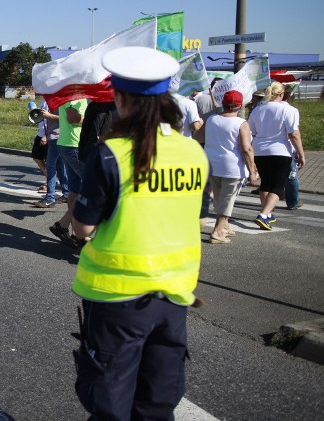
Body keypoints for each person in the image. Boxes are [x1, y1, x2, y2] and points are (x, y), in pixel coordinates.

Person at [70, 47, 209, 420]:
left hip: (117, 299)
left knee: (111, 397)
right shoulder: (194, 152)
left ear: (120, 98)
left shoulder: (110, 153)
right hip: (175, 295)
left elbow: (82, 227)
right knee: (158, 398)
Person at [247, 81, 305, 230]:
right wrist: (301, 153)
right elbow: (293, 133)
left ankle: (267, 214)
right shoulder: (288, 110)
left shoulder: (257, 110)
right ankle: (264, 214)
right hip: (280, 150)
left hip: (259, 149)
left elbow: (251, 131)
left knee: (266, 183)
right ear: (281, 94)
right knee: (278, 186)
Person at [202, 90, 258, 243]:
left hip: (212, 163)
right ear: (240, 106)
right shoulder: (241, 123)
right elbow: (246, 148)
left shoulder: (212, 119)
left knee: (219, 197)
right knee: (228, 199)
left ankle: (224, 226)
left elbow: (198, 136)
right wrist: (252, 171)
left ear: (223, 103)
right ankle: (218, 231)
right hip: (231, 166)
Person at [48, 97, 86, 241]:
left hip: (67, 143)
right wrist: (92, 120)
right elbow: (72, 118)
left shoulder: (76, 94)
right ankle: (64, 226)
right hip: (74, 144)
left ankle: (75, 233)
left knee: (75, 190)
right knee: (91, 188)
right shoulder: (74, 96)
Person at [32, 105, 69, 209]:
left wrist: (49, 115)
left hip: (57, 137)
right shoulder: (49, 99)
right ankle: (67, 193)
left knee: (50, 166)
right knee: (60, 166)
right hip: (53, 136)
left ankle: (50, 198)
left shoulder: (59, 100)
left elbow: (66, 118)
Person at [30, 99, 49, 194]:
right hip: (41, 133)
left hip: (49, 135)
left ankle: (50, 184)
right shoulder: (44, 100)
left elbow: (53, 119)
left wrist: (47, 135)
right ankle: (49, 179)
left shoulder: (52, 99)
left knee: (51, 162)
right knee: (36, 156)